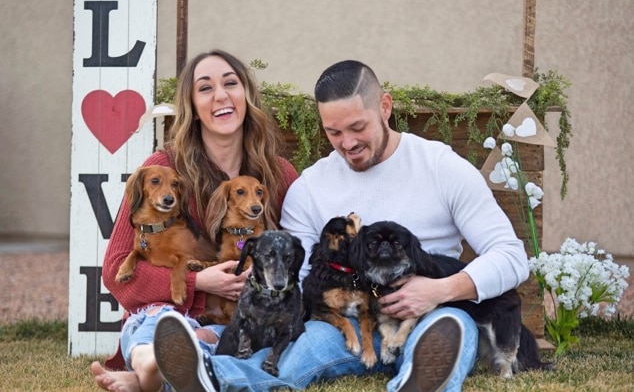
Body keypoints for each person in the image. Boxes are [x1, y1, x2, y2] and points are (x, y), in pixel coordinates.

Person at [152, 60, 529, 391]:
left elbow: (511, 257)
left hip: (428, 313)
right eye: (333, 133)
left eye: (357, 127)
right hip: (341, 320)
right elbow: (294, 278)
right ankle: (211, 377)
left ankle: (420, 380)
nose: (347, 143)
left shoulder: (441, 166)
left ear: (385, 107)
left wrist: (442, 289)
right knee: (300, 355)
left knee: (451, 331)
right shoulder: (311, 188)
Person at [90, 49, 299, 392]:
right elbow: (116, 272)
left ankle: (149, 377)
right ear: (192, 106)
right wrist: (198, 283)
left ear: (246, 94)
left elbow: (299, 254)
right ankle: (148, 363)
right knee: (162, 324)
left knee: (226, 341)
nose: (220, 95)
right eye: (205, 88)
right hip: (162, 314)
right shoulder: (162, 169)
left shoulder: (277, 175)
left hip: (234, 321)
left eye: (230, 83)